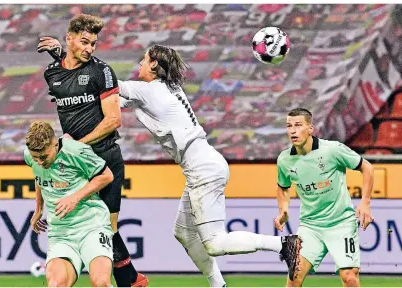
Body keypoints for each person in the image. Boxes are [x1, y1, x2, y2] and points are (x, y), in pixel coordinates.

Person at [39, 40, 302, 286]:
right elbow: (111, 98)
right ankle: (218, 284)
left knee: (215, 243)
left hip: (203, 168)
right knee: (184, 233)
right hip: (202, 164)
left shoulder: (150, 89)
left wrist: (65, 56)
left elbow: (102, 83)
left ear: (154, 64)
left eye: (144, 60)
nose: (140, 65)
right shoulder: (163, 89)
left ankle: (283, 245)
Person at [37, 14, 147, 287]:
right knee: (89, 225)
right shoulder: (52, 73)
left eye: (93, 44)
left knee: (108, 228)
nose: (89, 49)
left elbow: (113, 120)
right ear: (70, 38)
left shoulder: (102, 71)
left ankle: (130, 281)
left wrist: (75, 146)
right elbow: (68, 71)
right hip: (77, 164)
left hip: (104, 156)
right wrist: (59, 54)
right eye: (84, 42)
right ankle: (130, 279)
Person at [274, 108, 374, 287]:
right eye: (289, 126)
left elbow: (367, 167)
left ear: (310, 128)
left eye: (298, 125)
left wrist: (365, 202)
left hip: (341, 223)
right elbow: (283, 188)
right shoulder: (284, 160)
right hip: (310, 226)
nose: (292, 130)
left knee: (349, 277)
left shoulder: (332, 150)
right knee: (293, 277)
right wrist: (283, 210)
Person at [25, 121, 114, 287]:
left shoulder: (76, 151)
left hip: (91, 226)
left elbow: (106, 176)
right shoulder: (32, 156)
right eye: (34, 158)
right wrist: (39, 209)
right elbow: (39, 176)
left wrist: (75, 197)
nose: (39, 162)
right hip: (61, 233)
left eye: (43, 157)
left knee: (101, 283)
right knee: (56, 285)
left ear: (55, 143)